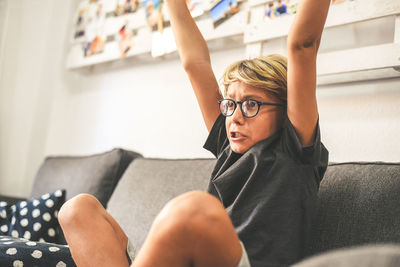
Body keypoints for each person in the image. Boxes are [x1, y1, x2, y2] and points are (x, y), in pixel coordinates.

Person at [58, 0, 331, 266]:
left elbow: (303, 45)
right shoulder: (229, 143)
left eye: (251, 104)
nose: (235, 117)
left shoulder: (294, 149)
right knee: (77, 210)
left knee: (194, 208)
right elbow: (194, 64)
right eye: (231, 104)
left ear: (286, 111)